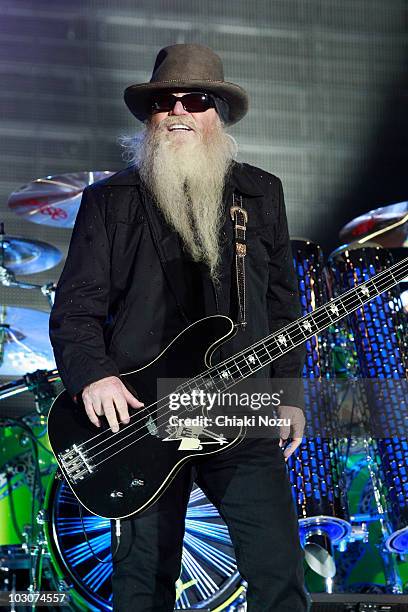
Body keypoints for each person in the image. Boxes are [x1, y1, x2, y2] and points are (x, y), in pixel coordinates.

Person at [49, 43, 310, 611]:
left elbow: (284, 304)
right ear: (149, 117)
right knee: (143, 578)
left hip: (242, 404)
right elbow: (75, 307)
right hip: (142, 411)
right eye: (164, 102)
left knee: (278, 570)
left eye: (194, 100)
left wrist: (288, 395)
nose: (178, 111)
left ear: (217, 114)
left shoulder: (259, 194)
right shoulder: (110, 200)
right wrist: (94, 376)